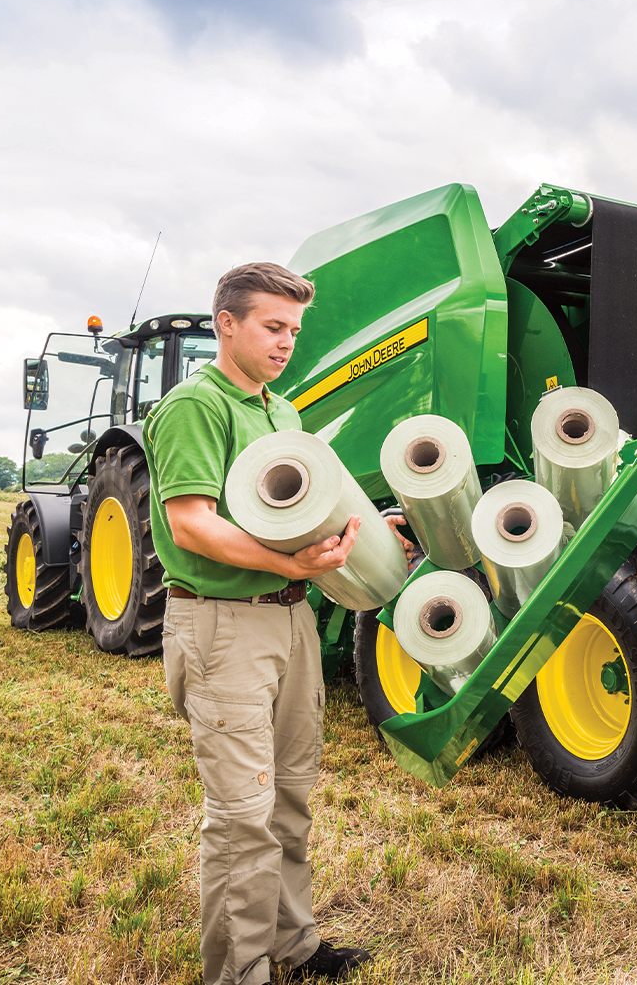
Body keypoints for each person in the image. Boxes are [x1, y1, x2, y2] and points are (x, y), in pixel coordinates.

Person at [145, 261, 394, 983]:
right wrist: (287, 566)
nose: (287, 343)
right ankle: (240, 971)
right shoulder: (197, 406)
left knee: (288, 794)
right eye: (273, 327)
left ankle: (295, 944)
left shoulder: (282, 412)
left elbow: (314, 501)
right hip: (224, 626)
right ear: (227, 324)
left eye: (293, 330)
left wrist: (378, 529)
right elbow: (191, 525)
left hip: (289, 623)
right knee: (242, 812)